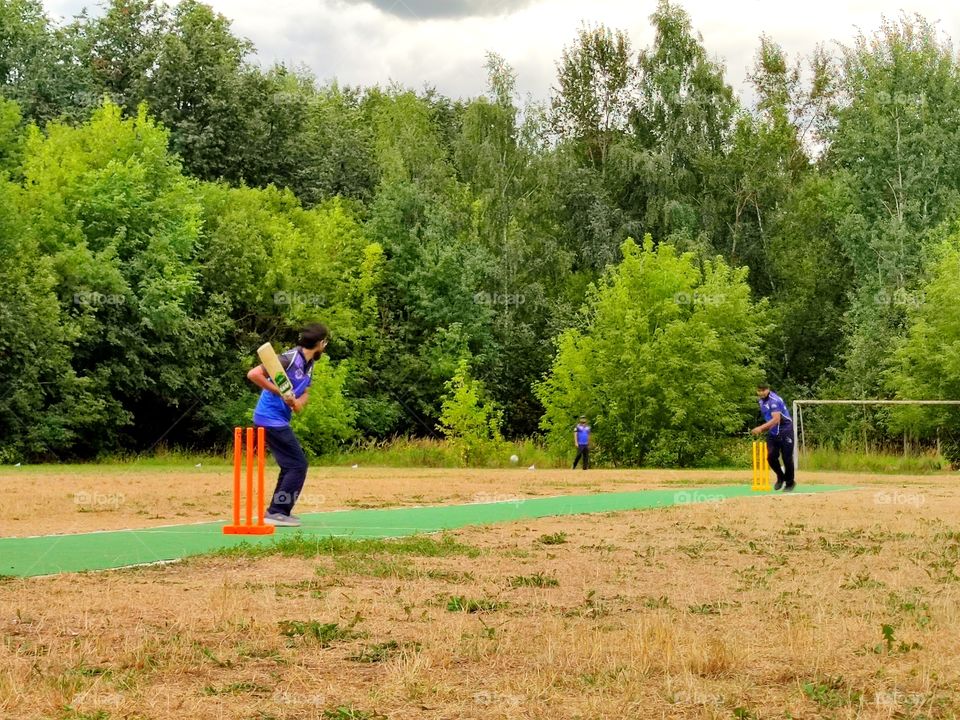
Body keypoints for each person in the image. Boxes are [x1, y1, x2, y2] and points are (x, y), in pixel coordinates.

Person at [247, 323, 329, 526]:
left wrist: (296, 402)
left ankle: (277, 511)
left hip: (279, 419)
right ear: (320, 344)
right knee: (299, 465)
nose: (325, 346)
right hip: (268, 418)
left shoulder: (309, 364)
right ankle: (276, 512)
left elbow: (305, 395)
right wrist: (279, 392)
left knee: (289, 466)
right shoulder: (289, 358)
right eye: (325, 342)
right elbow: (254, 374)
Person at [752, 384, 795, 491]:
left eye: (763, 390)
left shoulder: (774, 400)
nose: (761, 392)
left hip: (785, 429)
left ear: (768, 389)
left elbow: (776, 419)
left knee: (787, 458)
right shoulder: (761, 401)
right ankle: (780, 477)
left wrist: (761, 428)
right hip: (773, 430)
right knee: (771, 457)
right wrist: (767, 428)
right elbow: (769, 419)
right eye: (759, 390)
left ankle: (790, 483)